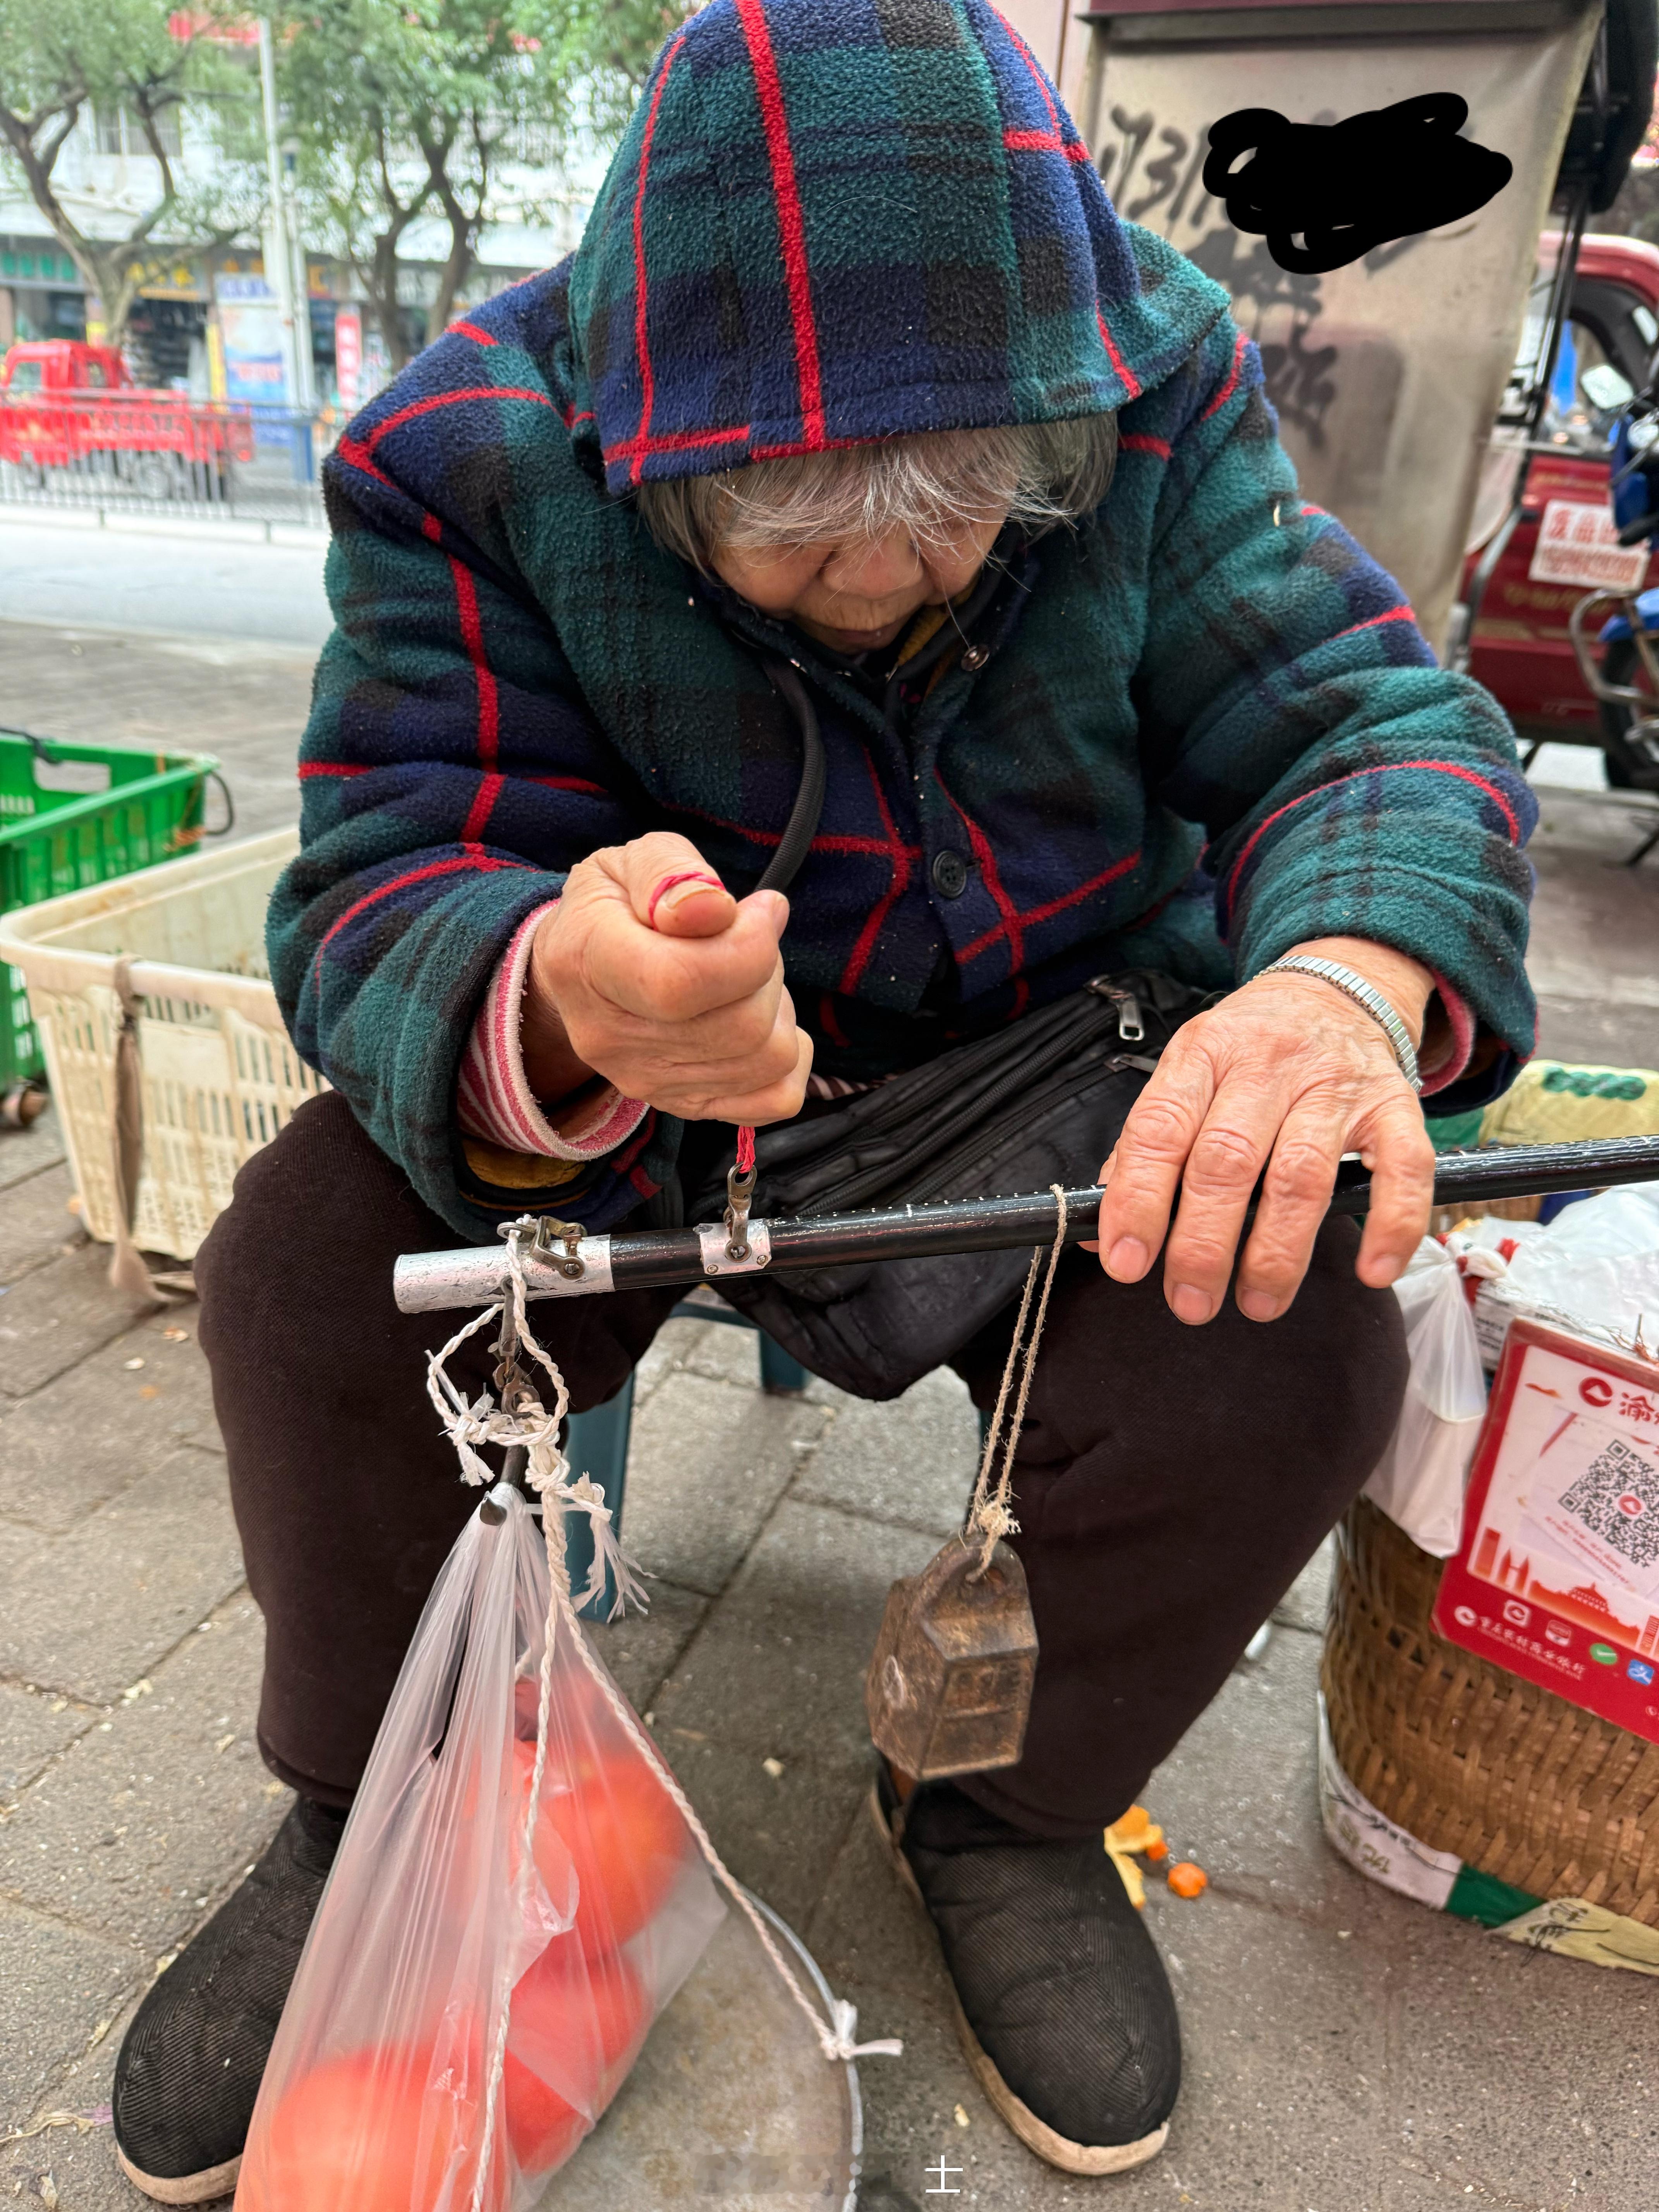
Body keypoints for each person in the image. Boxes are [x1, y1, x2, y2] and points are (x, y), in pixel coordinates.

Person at [111, 0, 1537, 2198]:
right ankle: (377, 1791)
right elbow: (379, 866)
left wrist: (1339, 990)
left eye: (967, 505)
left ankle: (1011, 1805)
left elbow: (1365, 717)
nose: (886, 574)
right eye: (791, 520)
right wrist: (555, 994)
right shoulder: (469, 451)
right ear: (649, 439)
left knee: (1299, 1311)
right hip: (668, 1082)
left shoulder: (1150, 370)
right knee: (316, 1275)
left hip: (1066, 1059)